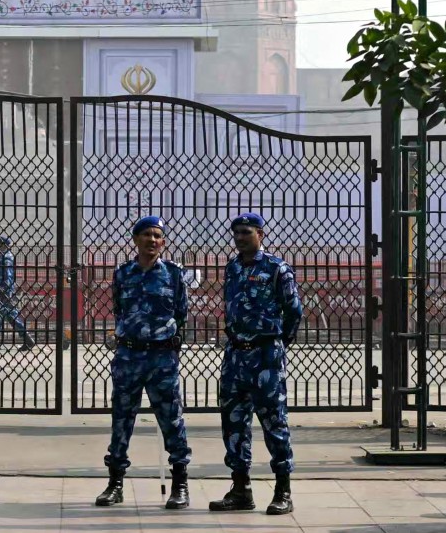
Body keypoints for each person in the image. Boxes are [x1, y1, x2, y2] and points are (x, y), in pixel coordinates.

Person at [209, 212, 302, 516]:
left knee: (274, 423)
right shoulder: (233, 268)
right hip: (235, 356)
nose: (239, 237)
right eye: (235, 232)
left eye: (246, 232)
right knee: (234, 424)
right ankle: (240, 490)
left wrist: (275, 343)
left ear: (260, 234)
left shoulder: (277, 269)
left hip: (265, 357)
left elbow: (293, 312)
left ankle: (283, 491)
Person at [96, 216, 191, 510]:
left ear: (163, 242)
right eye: (147, 235)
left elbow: (181, 313)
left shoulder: (174, 274)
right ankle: (116, 483)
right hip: (129, 357)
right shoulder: (123, 274)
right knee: (122, 419)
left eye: (158, 236)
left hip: (162, 358)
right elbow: (119, 309)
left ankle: (180, 484)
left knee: (171, 420)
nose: (152, 240)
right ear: (136, 240)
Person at [0, 234, 36, 352]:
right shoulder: (2, 256)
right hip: (3, 290)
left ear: (3, 245)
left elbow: (8, 275)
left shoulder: (6, 257)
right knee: (11, 316)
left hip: (3, 291)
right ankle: (28, 340)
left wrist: (4, 290)